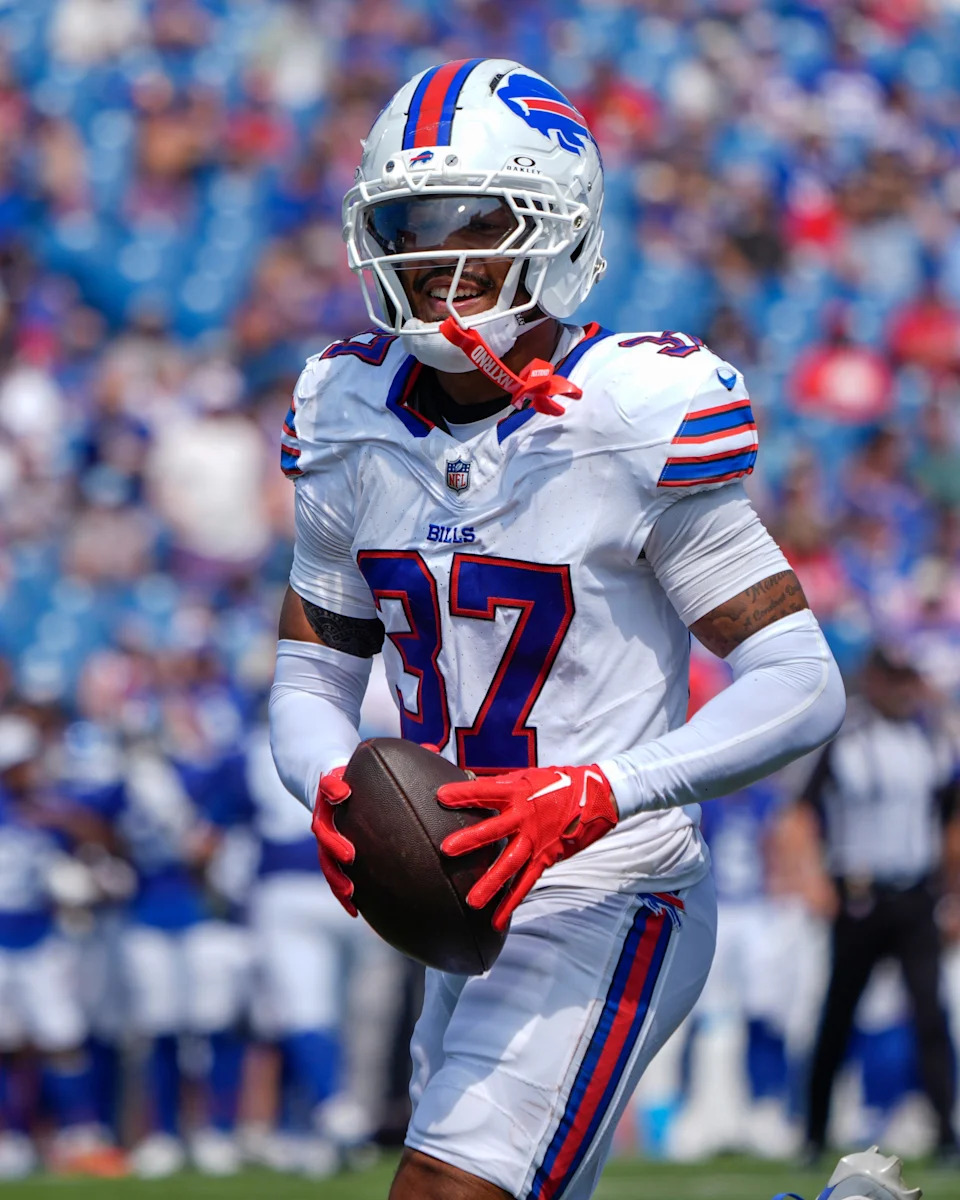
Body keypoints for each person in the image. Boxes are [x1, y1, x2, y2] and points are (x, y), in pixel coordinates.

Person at [268, 58, 848, 1200]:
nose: (434, 262)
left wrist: (599, 791)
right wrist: (331, 786)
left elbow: (799, 682)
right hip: (460, 900)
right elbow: (307, 676)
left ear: (556, 230)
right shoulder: (343, 413)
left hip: (609, 886)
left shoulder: (629, 413)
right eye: (405, 227)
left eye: (470, 225)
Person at [794, 645, 960, 1164]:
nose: (904, 690)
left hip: (915, 896)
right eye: (895, 680)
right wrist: (814, 882)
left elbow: (950, 825)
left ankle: (944, 1132)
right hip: (859, 895)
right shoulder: (848, 741)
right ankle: (815, 1132)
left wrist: (953, 894)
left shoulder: (931, 742)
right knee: (839, 1013)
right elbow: (802, 815)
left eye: (909, 679)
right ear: (875, 682)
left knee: (931, 1015)